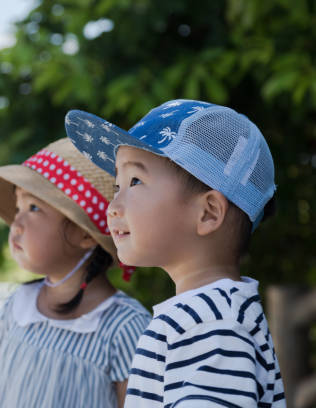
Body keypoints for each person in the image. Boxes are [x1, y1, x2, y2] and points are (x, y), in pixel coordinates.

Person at [65, 99, 285, 407]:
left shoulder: (212, 325)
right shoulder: (209, 313)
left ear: (208, 213)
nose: (112, 207)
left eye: (135, 181)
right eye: (117, 187)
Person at [0, 138, 151, 408]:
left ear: (86, 235)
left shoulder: (124, 328)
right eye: (18, 208)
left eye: (33, 208)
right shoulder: (17, 307)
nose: (15, 224)